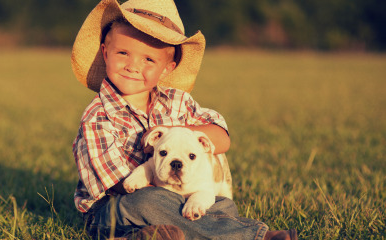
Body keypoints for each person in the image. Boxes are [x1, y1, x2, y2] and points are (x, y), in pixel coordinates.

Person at [70, 0, 298, 239]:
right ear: (106, 53)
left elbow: (221, 137)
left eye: (149, 59)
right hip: (115, 211)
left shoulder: (178, 101)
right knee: (149, 202)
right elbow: (120, 184)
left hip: (178, 196)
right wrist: (177, 193)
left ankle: (155, 235)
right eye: (123, 53)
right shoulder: (97, 117)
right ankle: (258, 237)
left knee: (221, 204)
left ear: (167, 68)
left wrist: (175, 132)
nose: (133, 66)